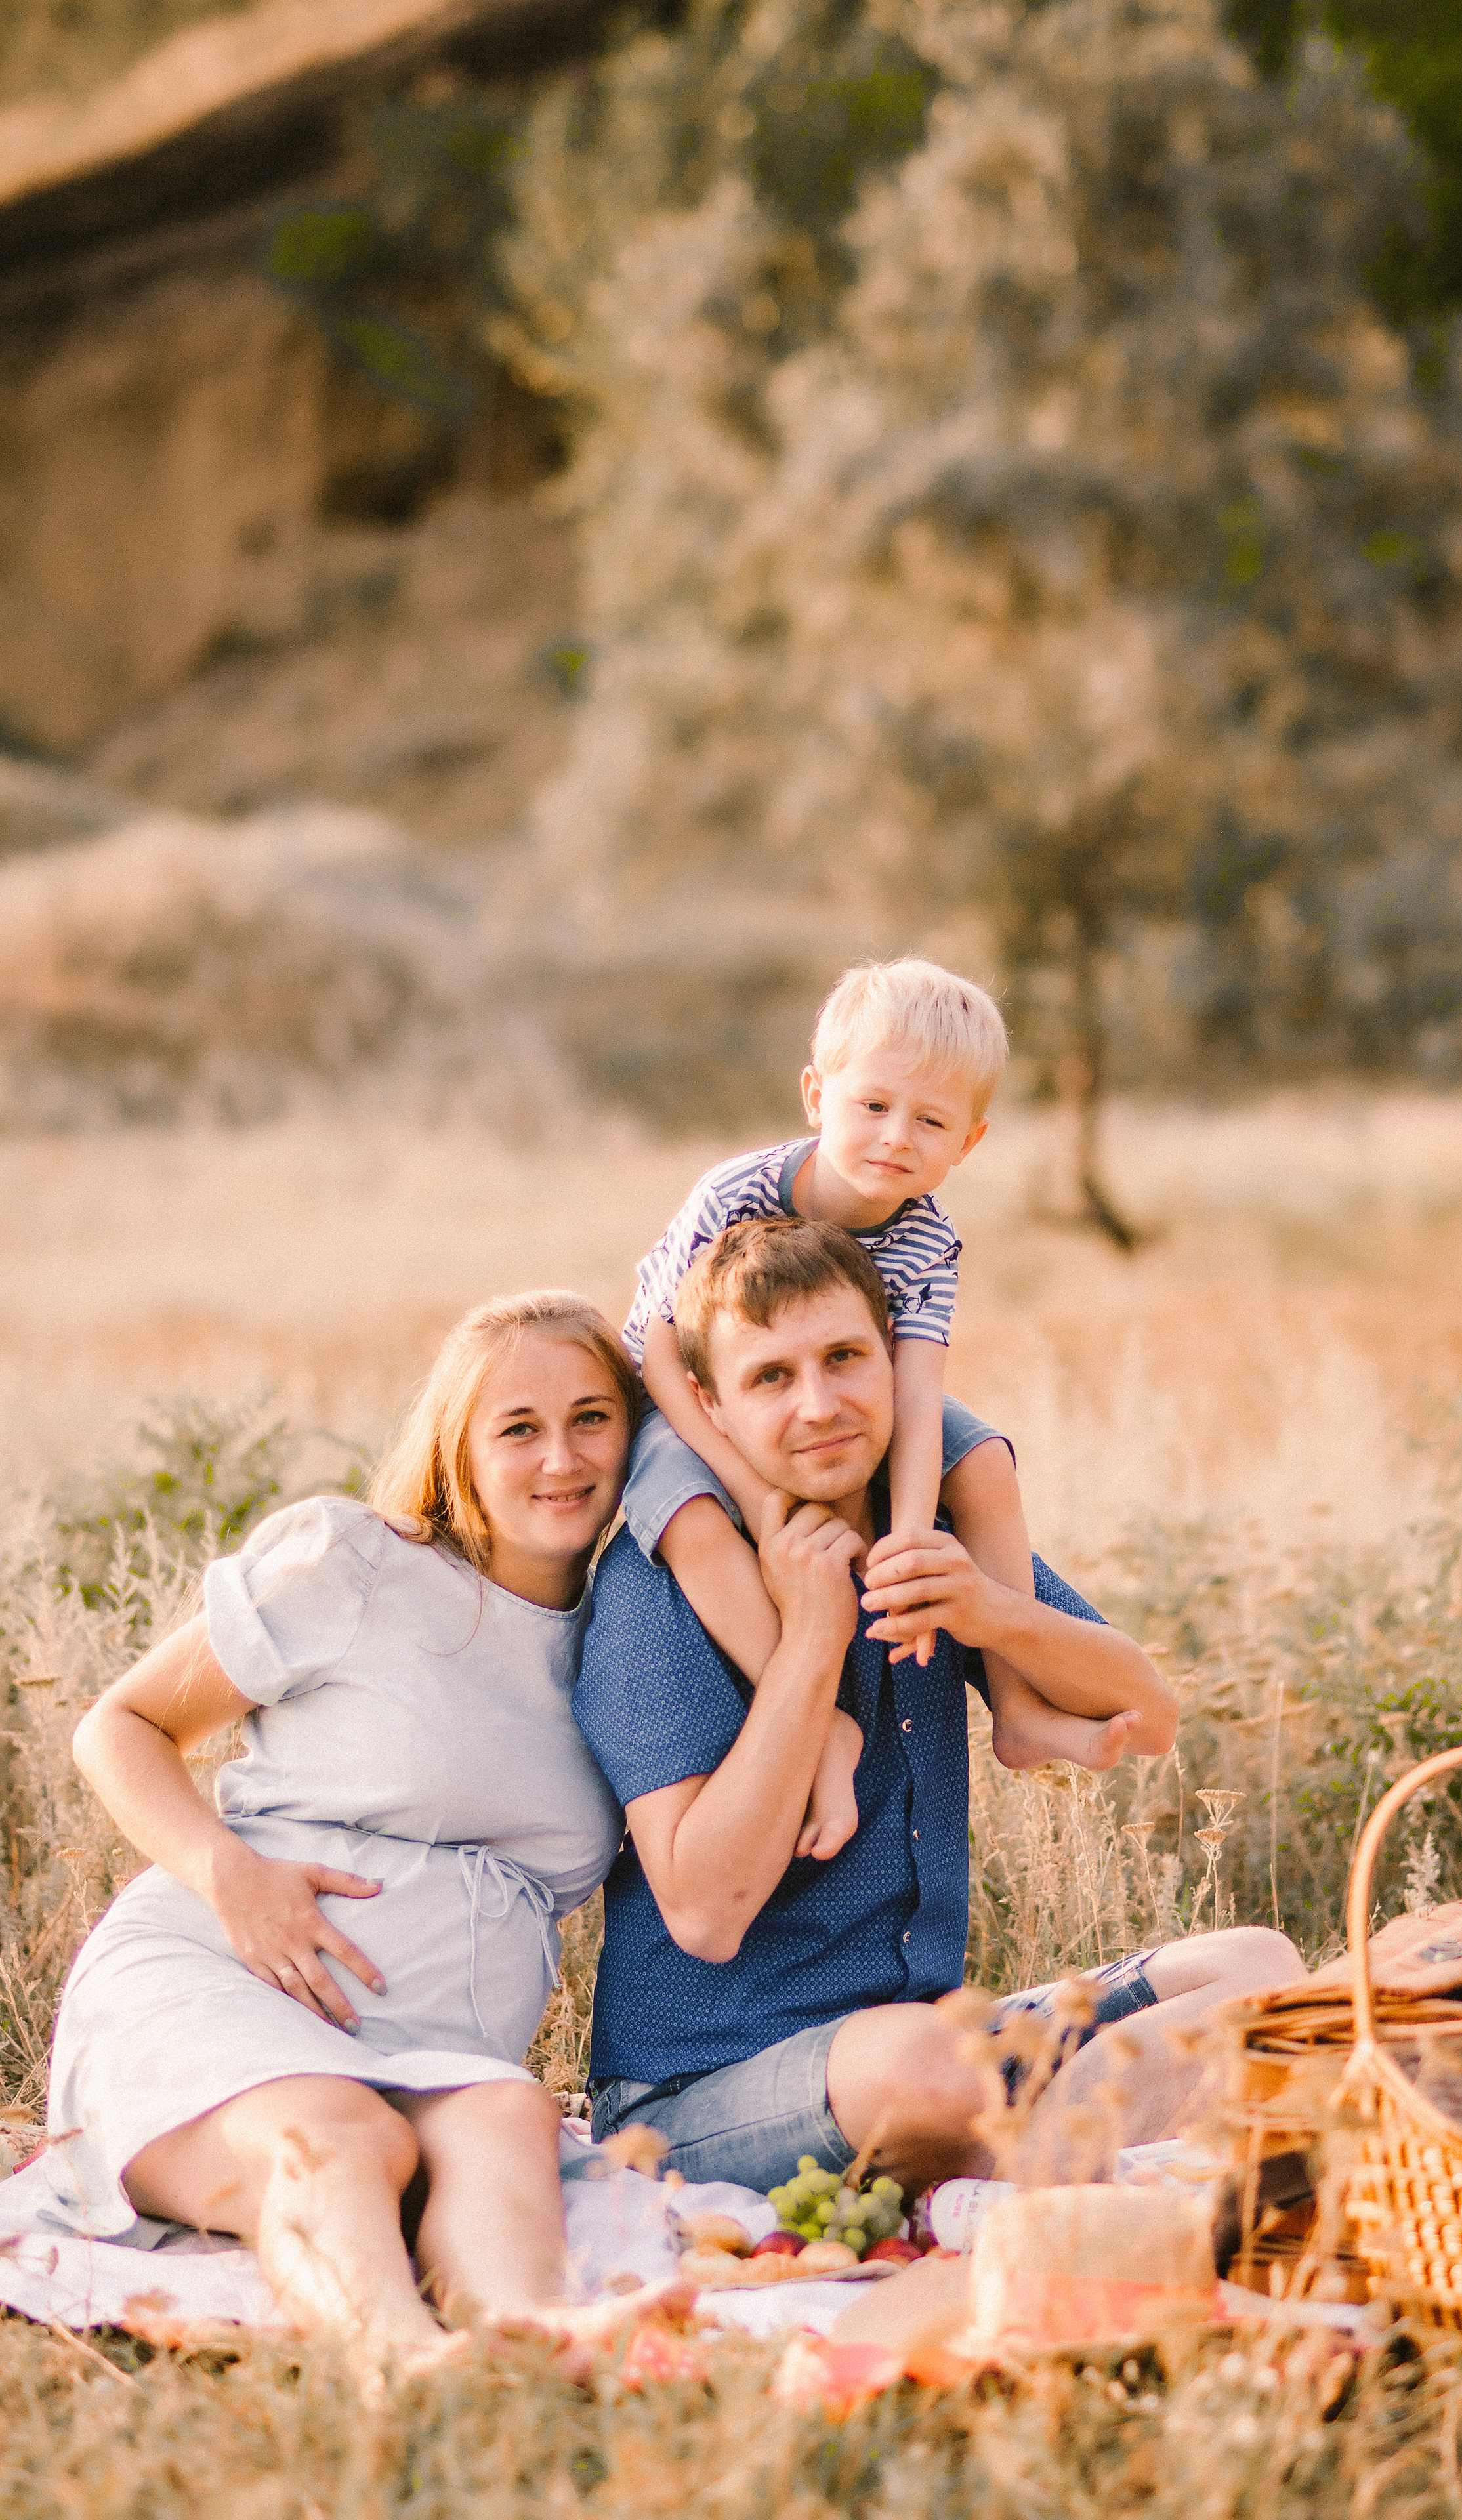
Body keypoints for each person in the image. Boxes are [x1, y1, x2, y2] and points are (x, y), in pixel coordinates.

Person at [573, 1217, 1305, 2194]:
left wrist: (990, 1610)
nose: (820, 1405)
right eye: (771, 1377)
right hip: (703, 2091)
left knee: (1256, 1967)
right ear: (710, 1404)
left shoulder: (921, 1531)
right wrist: (813, 1639)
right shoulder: (664, 1583)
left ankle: (1035, 2155)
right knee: (929, 2067)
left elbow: (1150, 1717)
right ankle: (1074, 2154)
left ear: (894, 1357)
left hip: (932, 2046)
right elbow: (705, 1914)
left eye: (844, 1358)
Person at [47, 1290, 685, 2374]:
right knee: (346, 2138)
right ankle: (397, 2359)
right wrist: (229, 1875)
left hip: (434, 2048)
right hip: (221, 1982)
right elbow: (120, 1726)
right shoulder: (358, 1564)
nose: (562, 1458)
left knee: (505, 2120)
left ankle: (529, 2337)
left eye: (592, 1417)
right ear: (459, 1450)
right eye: (518, 1428)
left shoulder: (634, 1630)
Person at [620, 956, 1138, 1865]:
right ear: (817, 1097)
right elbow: (661, 1352)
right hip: (699, 1396)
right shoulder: (736, 1193)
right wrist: (757, 1493)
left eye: (931, 1120)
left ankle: (1019, 1709)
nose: (897, 1137)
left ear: (968, 1142)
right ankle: (816, 1722)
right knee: (693, 1519)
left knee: (983, 1460)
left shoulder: (929, 1240)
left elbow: (918, 1392)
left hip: (851, 1384)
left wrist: (906, 1549)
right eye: (873, 1105)